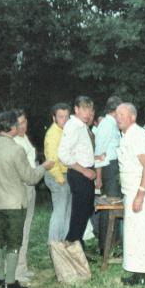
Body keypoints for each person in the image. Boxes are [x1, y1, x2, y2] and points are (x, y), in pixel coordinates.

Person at [0, 111, 53, 288]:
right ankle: (10, 282)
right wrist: (43, 167)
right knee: (14, 242)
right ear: (11, 128)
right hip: (14, 203)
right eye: (17, 125)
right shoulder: (16, 150)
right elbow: (30, 178)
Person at [115, 103, 145, 286]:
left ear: (133, 117)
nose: (118, 117)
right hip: (132, 191)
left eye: (123, 114)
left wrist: (140, 195)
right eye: (117, 114)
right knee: (135, 234)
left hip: (144, 193)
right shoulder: (127, 136)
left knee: (142, 235)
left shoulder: (137, 136)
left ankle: (142, 277)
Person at [58, 96, 96, 246]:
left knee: (85, 211)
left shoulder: (82, 125)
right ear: (76, 109)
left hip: (85, 173)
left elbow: (80, 150)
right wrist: (84, 171)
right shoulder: (73, 125)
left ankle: (77, 247)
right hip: (79, 175)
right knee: (79, 214)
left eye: (90, 110)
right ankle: (71, 244)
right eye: (84, 109)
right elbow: (63, 155)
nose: (87, 113)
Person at [93, 96, 122, 255]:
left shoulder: (113, 125)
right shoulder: (105, 124)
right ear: (115, 110)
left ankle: (113, 241)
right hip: (108, 169)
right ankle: (105, 245)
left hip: (115, 167)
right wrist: (98, 177)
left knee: (115, 204)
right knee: (108, 206)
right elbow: (99, 152)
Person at [12, 109, 38, 283]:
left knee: (26, 229)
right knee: (17, 231)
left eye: (24, 121)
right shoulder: (13, 141)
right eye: (19, 123)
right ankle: (15, 273)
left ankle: (22, 267)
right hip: (20, 188)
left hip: (31, 187)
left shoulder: (25, 138)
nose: (23, 126)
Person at [44, 103, 72, 244]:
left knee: (68, 213)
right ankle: (54, 245)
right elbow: (51, 160)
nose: (65, 120)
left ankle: (64, 245)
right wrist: (60, 179)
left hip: (67, 175)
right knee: (60, 212)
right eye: (61, 117)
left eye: (67, 116)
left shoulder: (66, 131)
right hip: (57, 176)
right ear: (54, 118)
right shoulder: (52, 134)